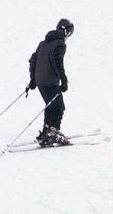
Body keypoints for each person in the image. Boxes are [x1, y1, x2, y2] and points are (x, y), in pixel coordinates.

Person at [26, 18, 74, 147]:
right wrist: (63, 81)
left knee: (50, 106)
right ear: (67, 33)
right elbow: (58, 63)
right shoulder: (59, 44)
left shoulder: (43, 43)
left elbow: (33, 60)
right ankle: (53, 134)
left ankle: (46, 131)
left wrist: (33, 80)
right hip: (50, 82)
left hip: (41, 81)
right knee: (58, 108)